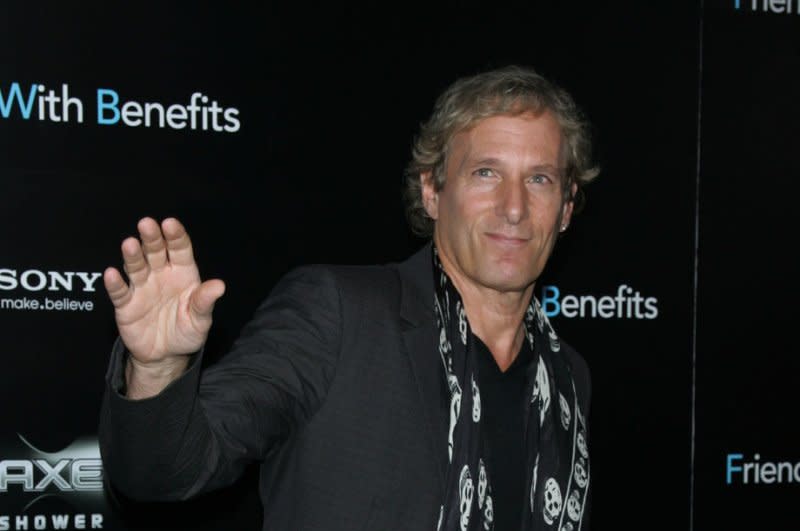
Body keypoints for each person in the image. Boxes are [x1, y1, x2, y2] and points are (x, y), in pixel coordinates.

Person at [99, 64, 599, 531]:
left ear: (566, 208)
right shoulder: (338, 313)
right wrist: (158, 371)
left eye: (539, 179)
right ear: (432, 190)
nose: (514, 208)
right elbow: (162, 473)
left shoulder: (564, 374)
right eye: (486, 173)